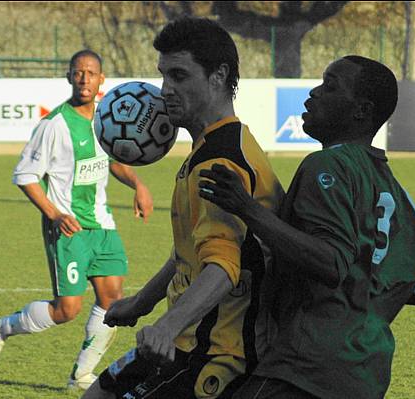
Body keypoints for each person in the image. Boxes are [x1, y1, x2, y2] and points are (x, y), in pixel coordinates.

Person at [198, 55, 415, 399]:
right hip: (365, 372)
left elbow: (331, 261)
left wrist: (247, 208)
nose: (313, 92)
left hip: (305, 367)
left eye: (330, 85)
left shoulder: (327, 165)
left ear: (361, 110)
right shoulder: (397, 193)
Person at [83, 17, 284, 399]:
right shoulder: (216, 144)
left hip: (217, 354)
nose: (165, 90)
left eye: (179, 76)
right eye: (163, 76)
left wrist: (166, 325)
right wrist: (144, 303)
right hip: (184, 337)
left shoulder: (219, 161)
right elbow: (192, 249)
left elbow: (224, 266)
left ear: (218, 76)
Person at [0, 49, 154, 390]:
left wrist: (138, 184)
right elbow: (26, 175)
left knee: (113, 301)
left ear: (103, 79)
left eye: (91, 73)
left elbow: (114, 159)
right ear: (69, 77)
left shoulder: (106, 118)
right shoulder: (54, 124)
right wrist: (55, 214)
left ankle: (80, 376)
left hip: (102, 225)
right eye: (78, 72)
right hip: (68, 228)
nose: (84, 78)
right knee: (66, 310)